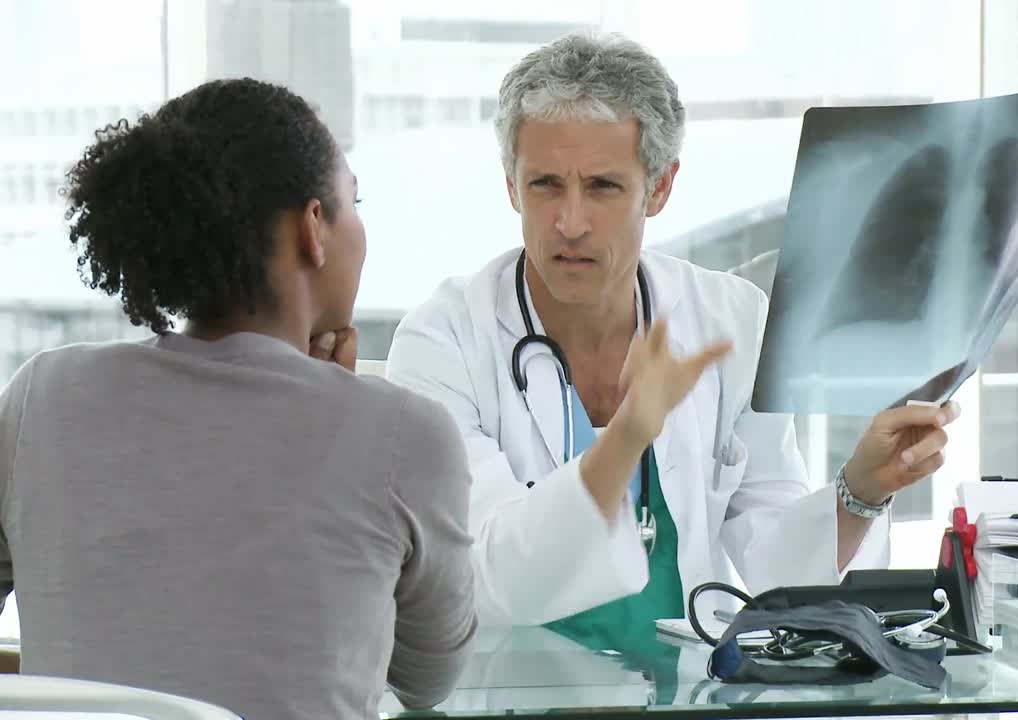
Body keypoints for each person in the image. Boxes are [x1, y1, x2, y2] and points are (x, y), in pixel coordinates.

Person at [386, 33, 959, 635]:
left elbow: (778, 572)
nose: (570, 223)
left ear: (659, 187)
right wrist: (628, 436)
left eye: (603, 186)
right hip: (513, 679)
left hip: (688, 680)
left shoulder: (729, 321)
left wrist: (861, 490)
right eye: (545, 184)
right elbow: (485, 578)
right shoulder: (444, 342)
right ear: (511, 185)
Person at [0, 79, 475, 719]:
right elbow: (428, 680)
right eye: (354, 201)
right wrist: (340, 408)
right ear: (314, 228)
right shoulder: (402, 433)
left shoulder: (43, 397)